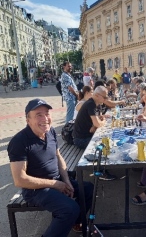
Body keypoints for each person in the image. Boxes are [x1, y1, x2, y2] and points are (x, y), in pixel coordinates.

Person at [7, 98, 94, 236]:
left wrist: (65, 180)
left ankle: (75, 223)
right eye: (38, 115)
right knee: (70, 209)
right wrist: (55, 184)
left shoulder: (51, 132)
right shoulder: (19, 142)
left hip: (57, 180)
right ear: (28, 120)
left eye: (47, 113)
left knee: (88, 189)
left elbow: (58, 157)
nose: (45, 118)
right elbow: (20, 180)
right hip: (36, 190)